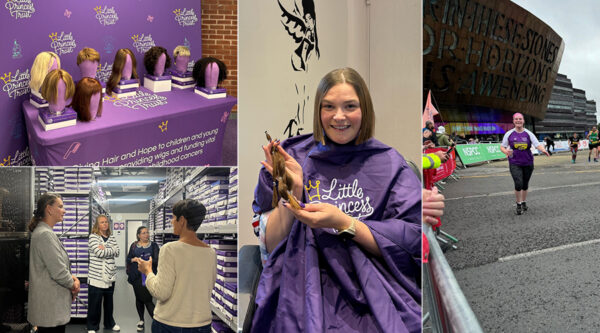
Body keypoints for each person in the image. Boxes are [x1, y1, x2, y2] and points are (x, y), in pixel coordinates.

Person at [252, 68, 421, 332]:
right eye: (328, 106)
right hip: (301, 281)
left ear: (364, 109)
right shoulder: (294, 155)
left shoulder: (390, 164)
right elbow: (271, 245)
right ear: (318, 110)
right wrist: (293, 194)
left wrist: (345, 223)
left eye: (350, 106)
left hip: (373, 284)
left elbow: (410, 240)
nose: (338, 116)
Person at [134, 199, 216, 333]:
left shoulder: (170, 249)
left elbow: (161, 292)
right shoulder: (210, 252)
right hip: (202, 325)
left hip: (170, 324)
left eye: (173, 217)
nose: (171, 221)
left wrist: (147, 271)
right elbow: (208, 287)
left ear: (182, 220)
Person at [28, 193, 80, 333]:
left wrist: (73, 278)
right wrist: (74, 284)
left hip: (50, 308)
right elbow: (59, 272)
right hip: (50, 310)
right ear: (49, 209)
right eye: (61, 206)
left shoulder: (45, 232)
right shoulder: (45, 235)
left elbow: (57, 266)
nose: (64, 210)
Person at [500, 113, 550, 215]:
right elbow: (502, 146)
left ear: (523, 121)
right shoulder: (509, 134)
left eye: (520, 119)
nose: (518, 121)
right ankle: (518, 204)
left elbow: (537, 145)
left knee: (525, 184)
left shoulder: (529, 133)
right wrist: (506, 152)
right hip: (514, 162)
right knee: (518, 183)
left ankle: (523, 202)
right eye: (516, 119)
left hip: (528, 162)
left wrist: (543, 150)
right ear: (513, 121)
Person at [87, 215, 120, 333]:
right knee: (94, 304)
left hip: (110, 276)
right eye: (102, 222)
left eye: (106, 222)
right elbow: (98, 252)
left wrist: (105, 248)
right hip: (97, 277)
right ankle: (92, 326)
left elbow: (117, 252)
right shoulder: (93, 237)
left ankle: (109, 323)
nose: (105, 224)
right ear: (97, 224)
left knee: (109, 303)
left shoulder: (111, 237)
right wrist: (109, 249)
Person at [126, 226, 160, 331]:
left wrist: (146, 261)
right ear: (138, 235)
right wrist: (133, 259)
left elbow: (157, 260)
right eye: (144, 233)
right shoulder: (134, 245)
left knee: (147, 299)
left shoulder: (154, 246)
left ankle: (157, 322)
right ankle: (141, 320)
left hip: (148, 276)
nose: (146, 235)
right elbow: (128, 258)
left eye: (147, 233)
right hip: (136, 276)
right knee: (139, 298)